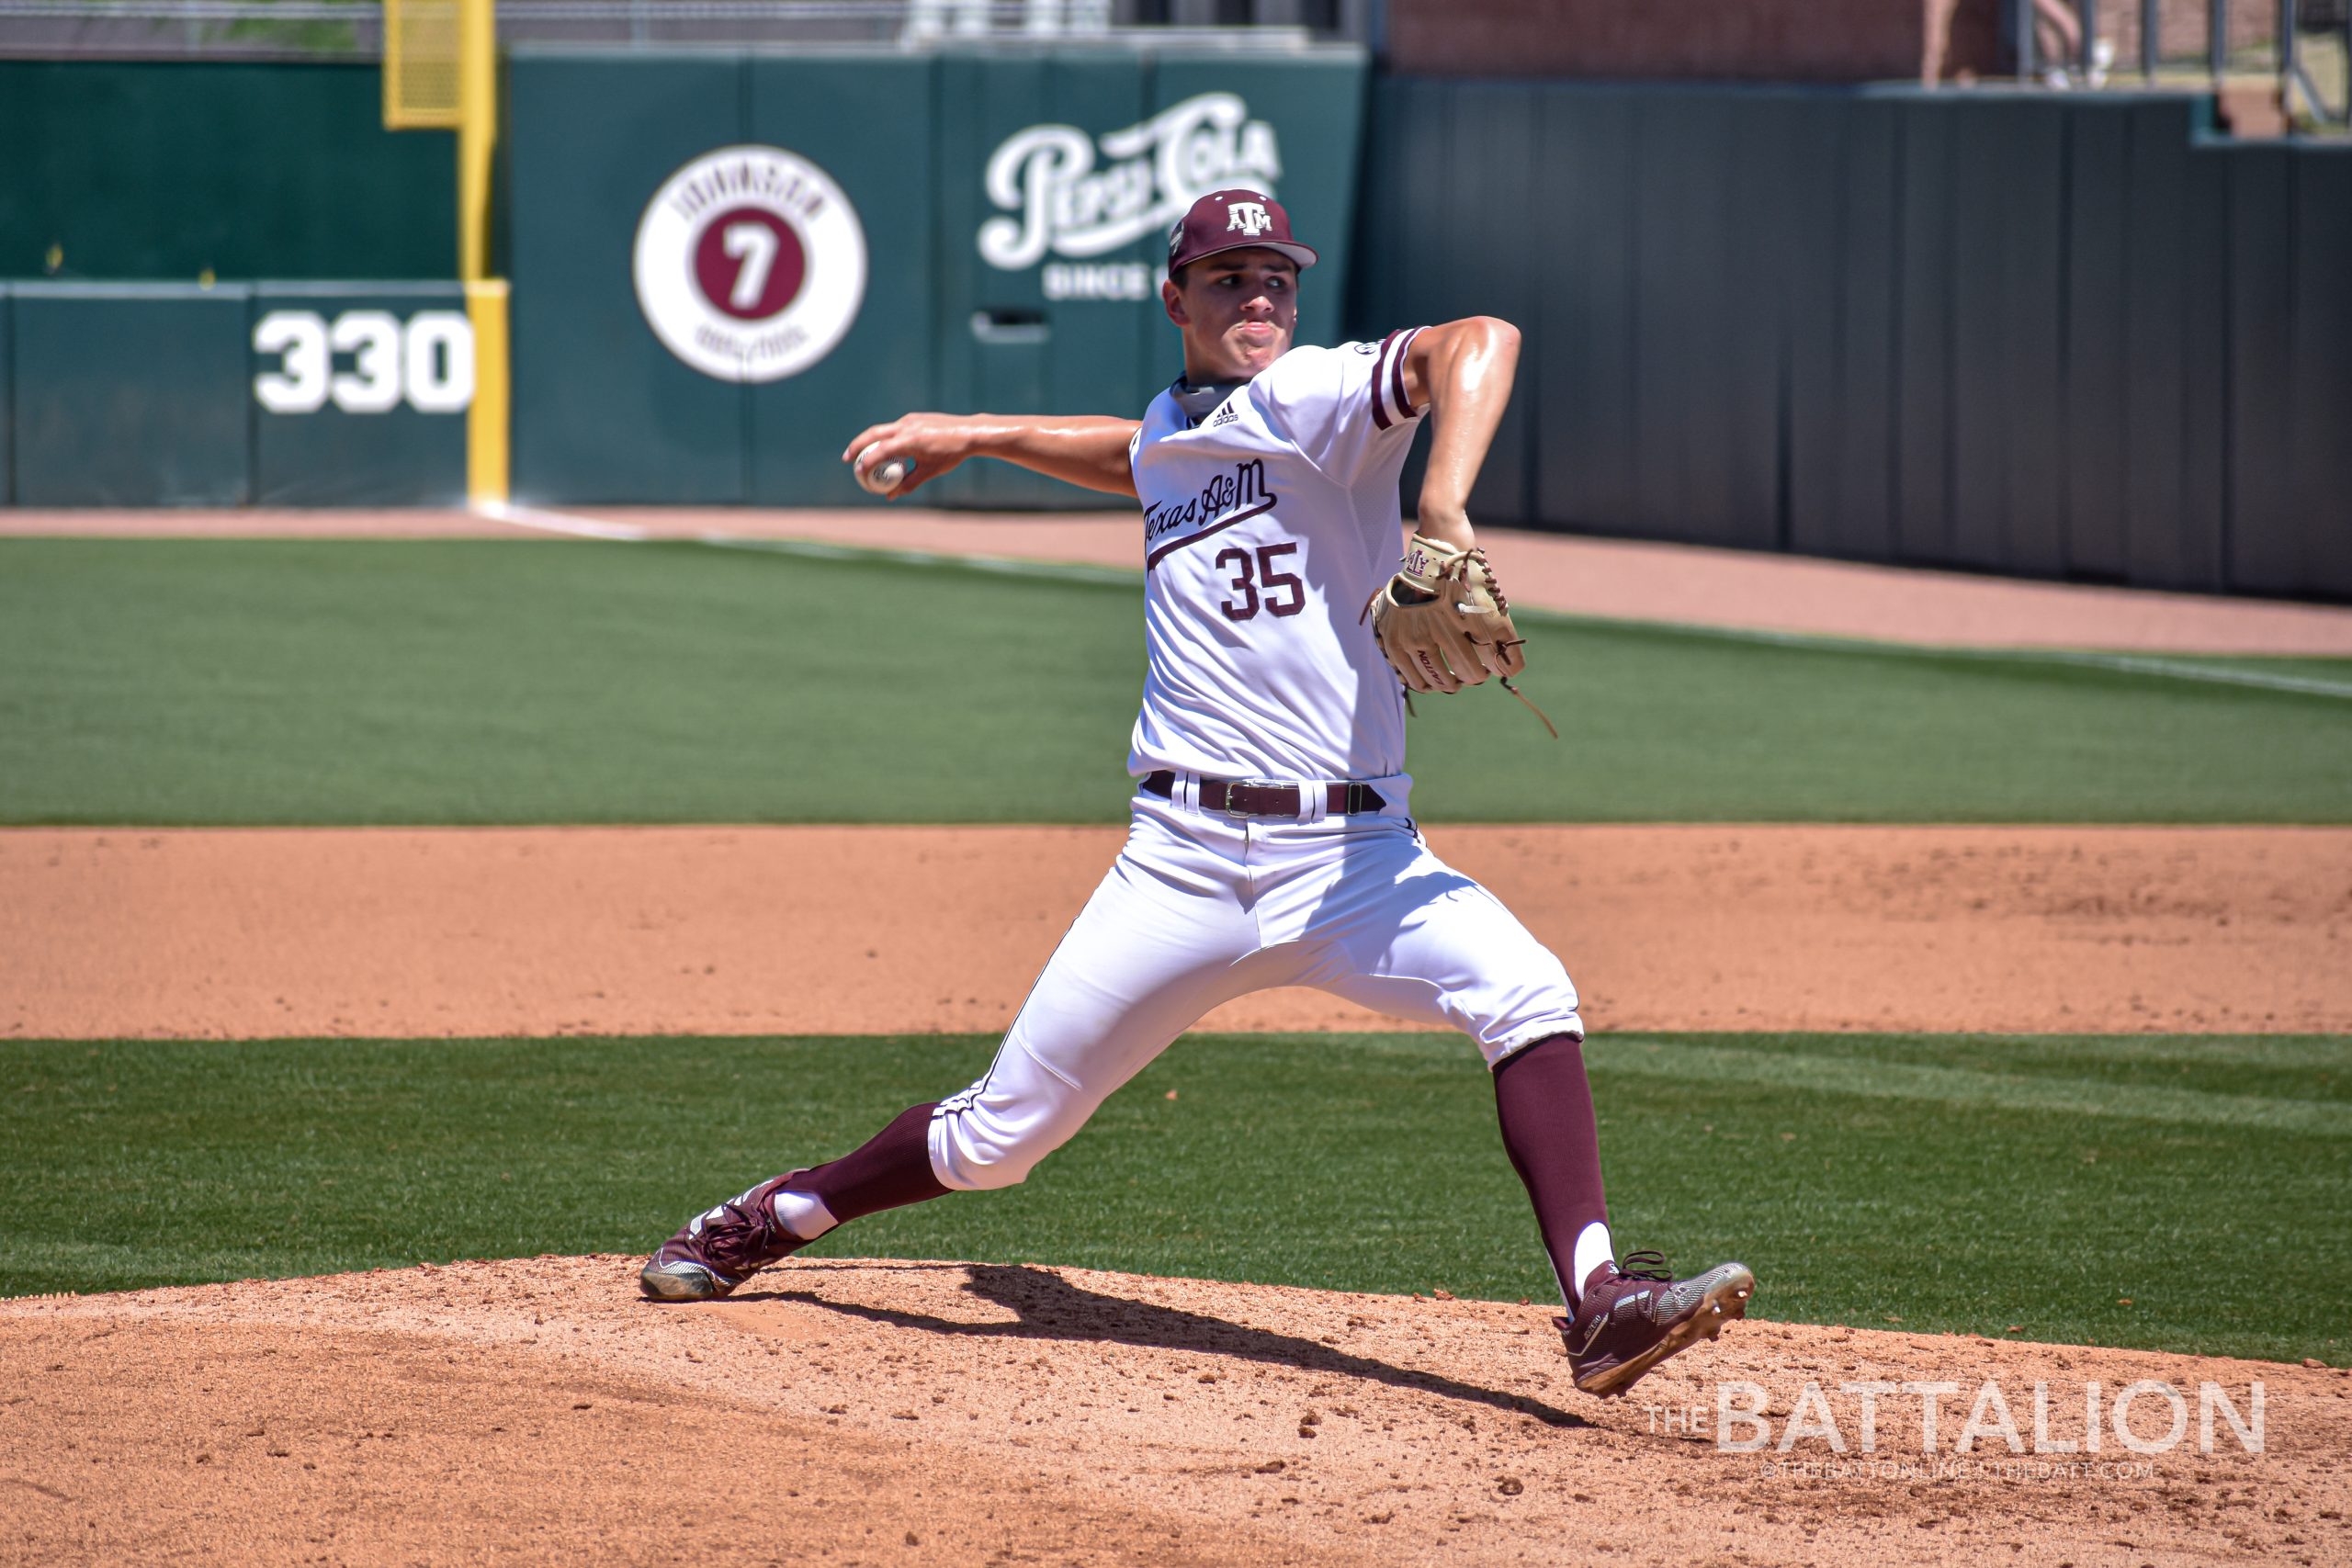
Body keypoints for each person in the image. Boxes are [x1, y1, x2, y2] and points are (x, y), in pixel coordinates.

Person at [640, 188, 1754, 1399]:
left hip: (1357, 864)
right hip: (1179, 864)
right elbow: (1135, 453)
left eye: (1273, 275)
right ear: (1175, 299)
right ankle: (777, 1214)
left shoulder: (1320, 398)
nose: (1257, 296)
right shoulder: (1179, 427)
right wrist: (976, 428)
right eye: (1227, 279)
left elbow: (1480, 339)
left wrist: (1440, 507)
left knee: (1527, 989)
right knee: (998, 1142)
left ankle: (1597, 1303)